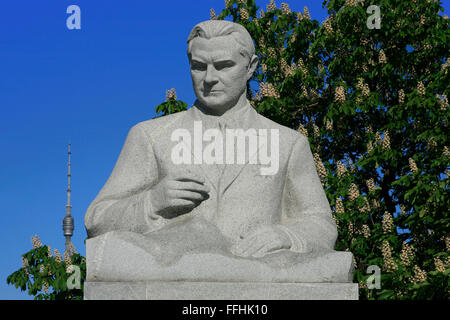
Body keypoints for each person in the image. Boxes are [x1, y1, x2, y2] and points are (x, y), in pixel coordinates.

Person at [85, 20, 337, 259]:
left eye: (224, 65)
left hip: (259, 277)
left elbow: (321, 226)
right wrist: (152, 202)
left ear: (251, 67)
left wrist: (285, 235)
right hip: (175, 272)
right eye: (199, 66)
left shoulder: (288, 143)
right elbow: (97, 220)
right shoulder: (150, 136)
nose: (209, 78)